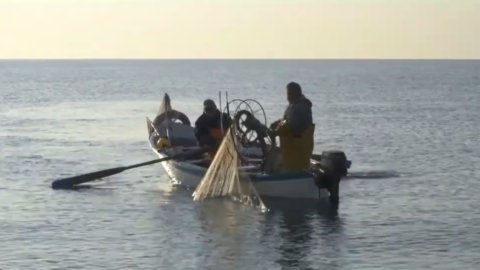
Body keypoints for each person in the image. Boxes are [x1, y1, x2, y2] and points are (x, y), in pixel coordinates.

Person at [270, 82, 315, 171]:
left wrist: (277, 131)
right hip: (290, 152)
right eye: (287, 94)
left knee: (293, 168)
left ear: (295, 93)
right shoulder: (293, 106)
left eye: (289, 94)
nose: (288, 97)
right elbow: (286, 120)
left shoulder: (301, 107)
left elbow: (294, 128)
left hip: (298, 152)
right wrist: (278, 123)